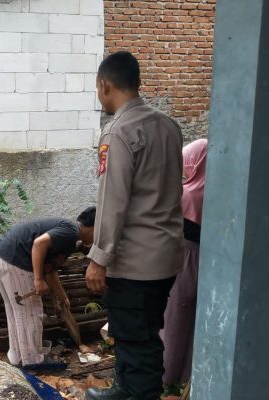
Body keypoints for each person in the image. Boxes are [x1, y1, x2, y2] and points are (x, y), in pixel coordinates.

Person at [85, 51, 184, 400]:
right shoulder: (169, 126)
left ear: (105, 85)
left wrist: (99, 258)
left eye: (98, 90)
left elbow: (113, 201)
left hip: (134, 262)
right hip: (166, 255)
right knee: (136, 332)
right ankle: (123, 390)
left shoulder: (118, 131)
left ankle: (137, 392)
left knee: (138, 341)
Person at [0, 207, 96, 367]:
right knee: (31, 311)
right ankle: (33, 360)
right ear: (94, 227)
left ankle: (17, 356)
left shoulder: (67, 235)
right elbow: (39, 244)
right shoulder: (71, 231)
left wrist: (62, 297)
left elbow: (50, 270)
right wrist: (38, 279)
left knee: (15, 310)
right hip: (15, 259)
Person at [160, 138, 208, 386]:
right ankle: (190, 377)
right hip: (208, 263)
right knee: (195, 323)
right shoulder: (217, 192)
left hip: (183, 260)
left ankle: (166, 376)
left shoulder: (185, 193)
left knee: (173, 321)